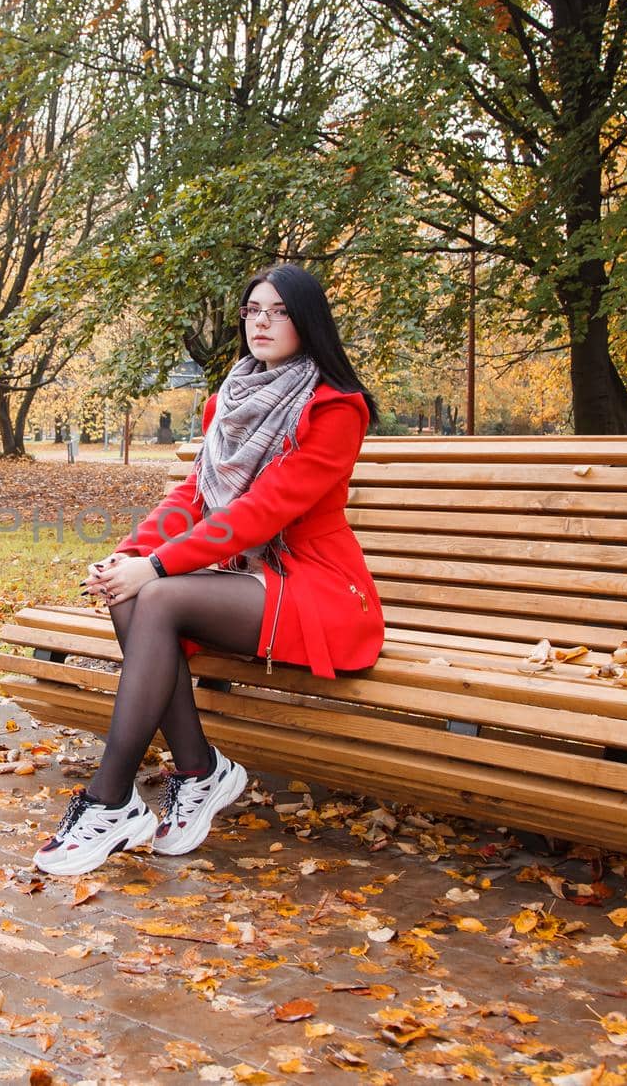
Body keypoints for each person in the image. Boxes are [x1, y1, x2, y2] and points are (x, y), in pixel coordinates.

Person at [33, 264, 385, 876]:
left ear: (307, 320)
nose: (262, 322)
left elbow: (262, 511)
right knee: (131, 596)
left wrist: (160, 567)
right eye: (252, 311)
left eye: (277, 311)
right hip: (244, 579)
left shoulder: (336, 407)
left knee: (160, 597)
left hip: (318, 589)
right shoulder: (230, 398)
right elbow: (196, 496)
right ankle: (199, 770)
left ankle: (108, 800)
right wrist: (132, 554)